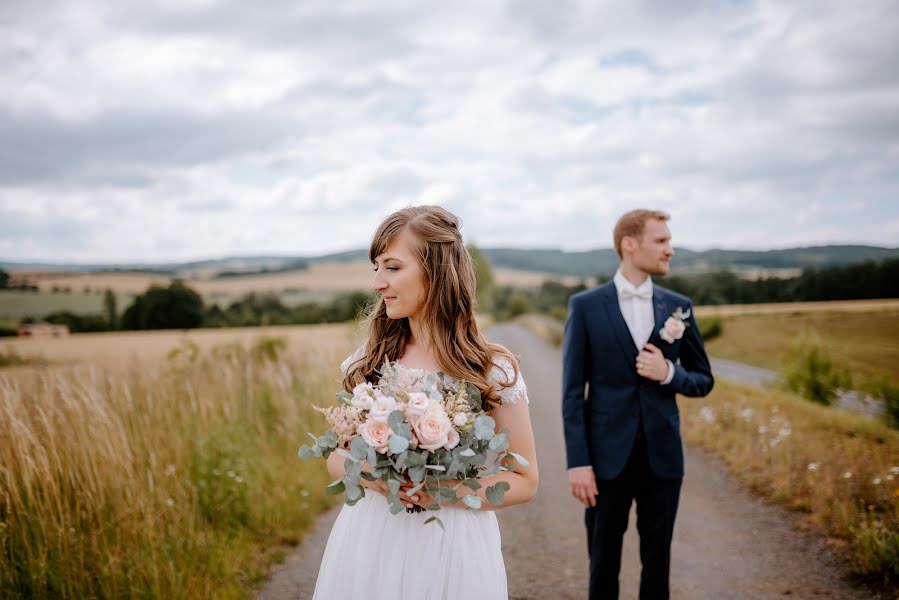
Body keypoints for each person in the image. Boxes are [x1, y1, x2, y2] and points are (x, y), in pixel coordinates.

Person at [312, 205, 539, 600]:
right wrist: (377, 478)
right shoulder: (369, 361)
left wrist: (444, 492)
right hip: (372, 539)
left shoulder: (490, 369)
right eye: (376, 268)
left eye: (392, 267)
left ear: (436, 271)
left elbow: (524, 479)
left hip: (454, 543)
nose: (378, 283)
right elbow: (336, 455)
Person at [562, 209, 713, 599]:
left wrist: (668, 374)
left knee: (657, 566)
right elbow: (572, 393)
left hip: (663, 462)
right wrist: (579, 462)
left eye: (669, 241)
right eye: (661, 241)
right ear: (630, 245)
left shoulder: (678, 307)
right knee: (603, 565)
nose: (671, 250)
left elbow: (703, 379)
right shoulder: (586, 306)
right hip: (606, 462)